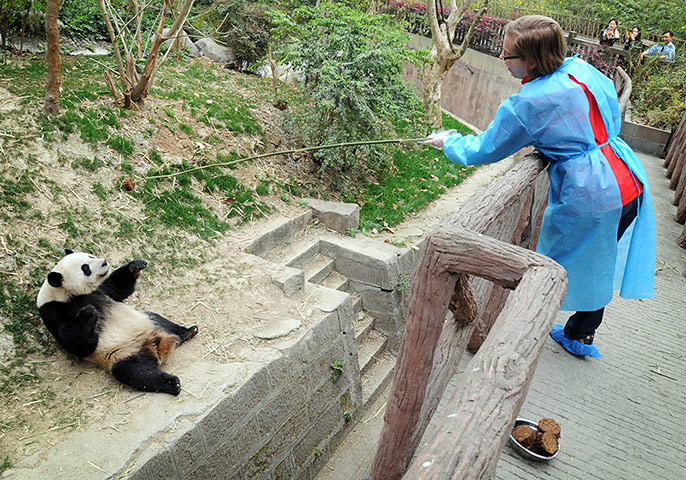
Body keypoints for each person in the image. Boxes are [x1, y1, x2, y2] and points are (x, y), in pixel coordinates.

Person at [424, 15, 656, 359]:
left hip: (592, 192)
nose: (503, 61)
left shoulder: (528, 103)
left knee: (551, 268)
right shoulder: (584, 71)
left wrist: (448, 142)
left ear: (531, 59)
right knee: (600, 263)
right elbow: (610, 117)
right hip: (627, 176)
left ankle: (519, 339)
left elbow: (485, 149)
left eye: (507, 56)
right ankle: (581, 334)